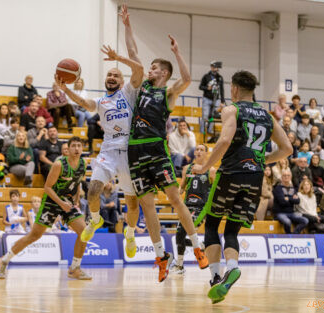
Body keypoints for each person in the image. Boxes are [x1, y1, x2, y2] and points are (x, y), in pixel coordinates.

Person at [190, 70, 292, 304]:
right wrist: (261, 160)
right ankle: (232, 267)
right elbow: (287, 149)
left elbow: (225, 140)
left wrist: (205, 167)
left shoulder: (231, 109)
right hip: (256, 178)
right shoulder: (268, 116)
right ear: (252, 90)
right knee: (232, 231)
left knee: (212, 225)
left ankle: (216, 278)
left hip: (231, 174)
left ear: (234, 89)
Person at [121, 15, 206, 279]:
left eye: (155, 67)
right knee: (148, 207)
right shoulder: (143, 86)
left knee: (174, 199)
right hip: (136, 151)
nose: (150, 69)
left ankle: (197, 246)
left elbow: (188, 78)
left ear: (164, 73)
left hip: (157, 152)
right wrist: (128, 25)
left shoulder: (167, 94)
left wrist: (177, 53)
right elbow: (133, 52)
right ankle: (161, 255)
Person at [55, 37, 144, 268]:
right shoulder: (102, 100)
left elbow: (138, 68)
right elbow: (84, 103)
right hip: (108, 150)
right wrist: (65, 90)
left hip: (129, 152)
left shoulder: (129, 92)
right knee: (93, 190)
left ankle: (131, 232)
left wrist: (118, 58)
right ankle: (95, 220)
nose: (111, 77)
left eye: (115, 75)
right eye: (108, 75)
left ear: (122, 80)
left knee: (132, 205)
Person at [0, 137, 93, 280]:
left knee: (85, 232)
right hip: (52, 202)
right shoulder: (59, 164)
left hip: (67, 203)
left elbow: (77, 184)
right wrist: (61, 204)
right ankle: (4, 260)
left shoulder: (83, 164)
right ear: (68, 149)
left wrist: (76, 201)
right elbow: (46, 188)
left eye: (79, 146)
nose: (77, 149)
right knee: (34, 236)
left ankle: (74, 269)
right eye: (74, 146)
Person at [172, 144, 215, 275]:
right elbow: (182, 187)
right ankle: (181, 264)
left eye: (202, 150)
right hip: (187, 206)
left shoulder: (211, 170)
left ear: (207, 154)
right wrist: (176, 193)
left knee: (184, 231)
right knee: (179, 236)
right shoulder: (187, 168)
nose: (199, 151)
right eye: (197, 149)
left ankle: (180, 264)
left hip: (201, 207)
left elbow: (214, 191)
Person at [273, 169, 309, 234]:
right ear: (281, 177)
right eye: (284, 175)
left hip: (292, 213)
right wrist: (292, 199)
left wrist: (288, 198)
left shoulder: (293, 188)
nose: (286, 177)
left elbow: (298, 201)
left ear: (290, 177)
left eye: (288, 175)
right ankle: (289, 235)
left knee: (305, 220)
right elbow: (282, 201)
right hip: (280, 213)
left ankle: (295, 234)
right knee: (288, 222)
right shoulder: (278, 188)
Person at [199, 61, 225, 134]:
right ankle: (202, 131)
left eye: (216, 67)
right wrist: (207, 88)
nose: (215, 69)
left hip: (216, 99)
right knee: (205, 115)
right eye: (213, 67)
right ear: (211, 67)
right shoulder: (206, 76)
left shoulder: (220, 78)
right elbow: (200, 87)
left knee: (213, 116)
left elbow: (222, 89)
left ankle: (209, 130)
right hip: (207, 98)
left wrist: (222, 101)